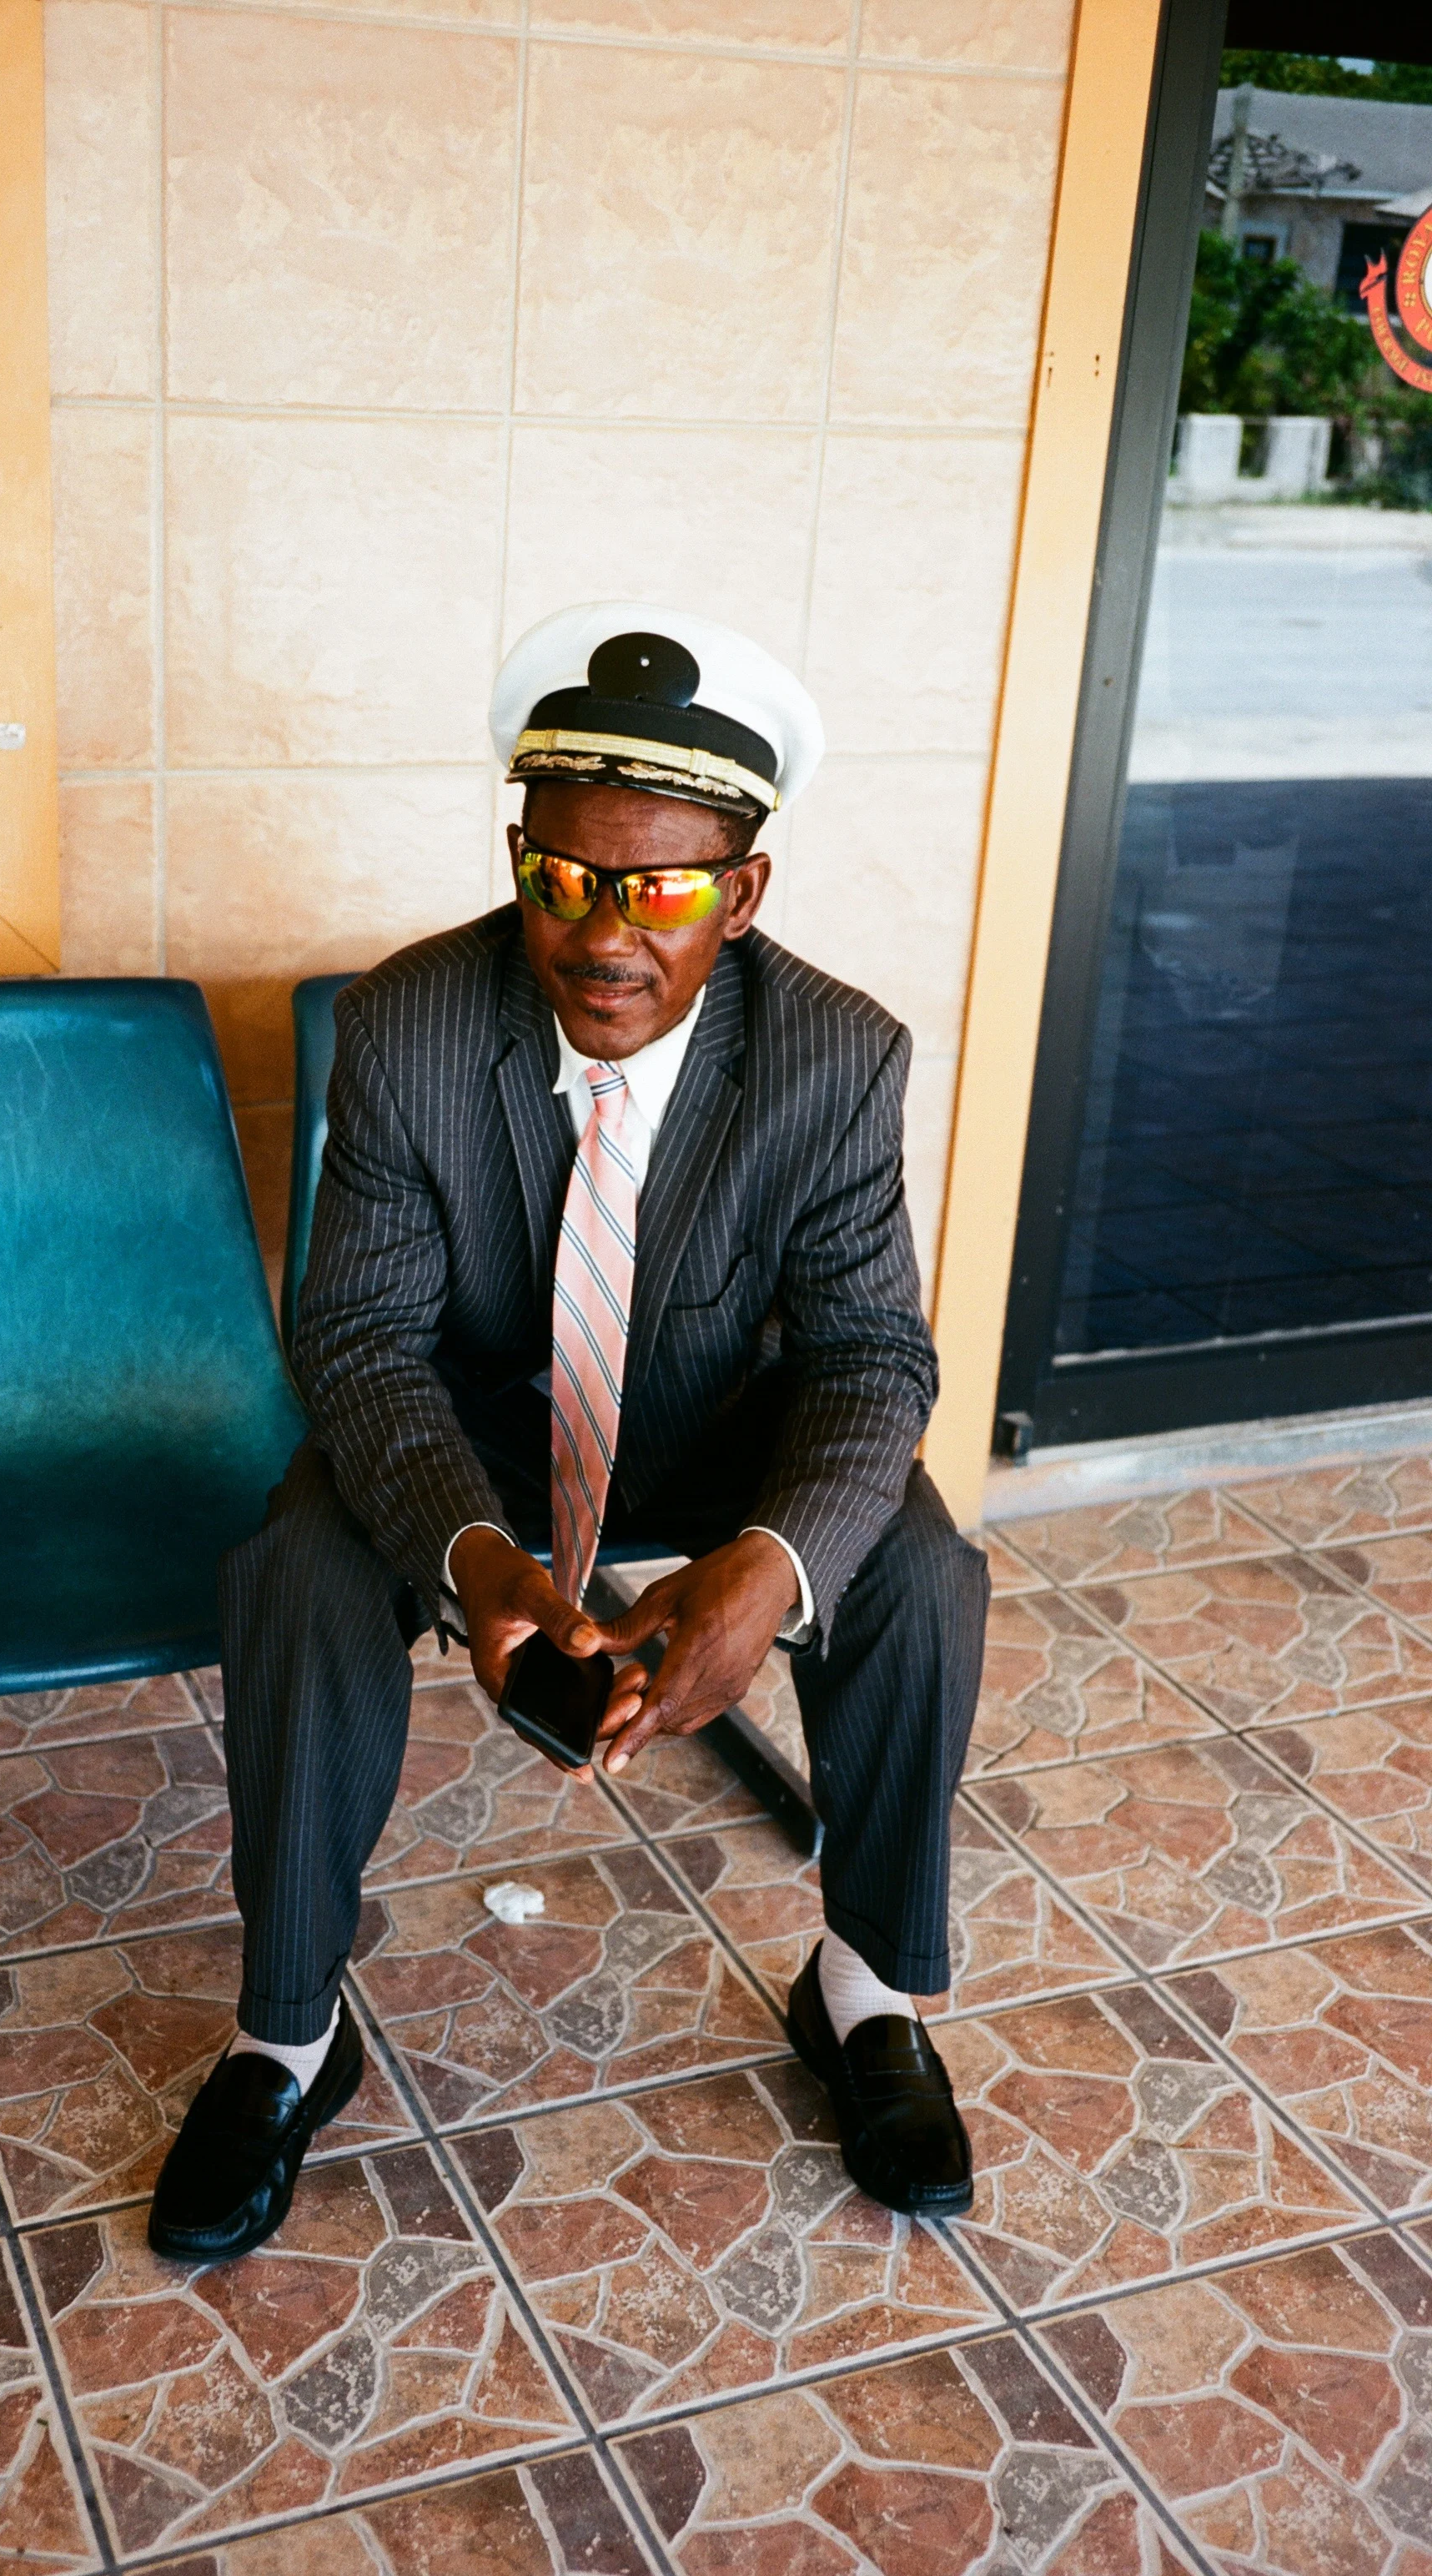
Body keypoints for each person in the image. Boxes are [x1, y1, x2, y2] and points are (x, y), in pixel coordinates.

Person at [148, 602, 990, 2263]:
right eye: (561, 877)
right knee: (296, 1563)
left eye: (662, 889)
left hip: (709, 1444)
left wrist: (763, 1565)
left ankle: (864, 1990)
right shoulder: (408, 1020)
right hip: (467, 1441)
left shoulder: (834, 1053)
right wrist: (473, 1555)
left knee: (913, 1566)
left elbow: (871, 1357)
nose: (603, 938)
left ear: (739, 894)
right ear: (519, 856)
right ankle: (289, 2036)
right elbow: (358, 1338)